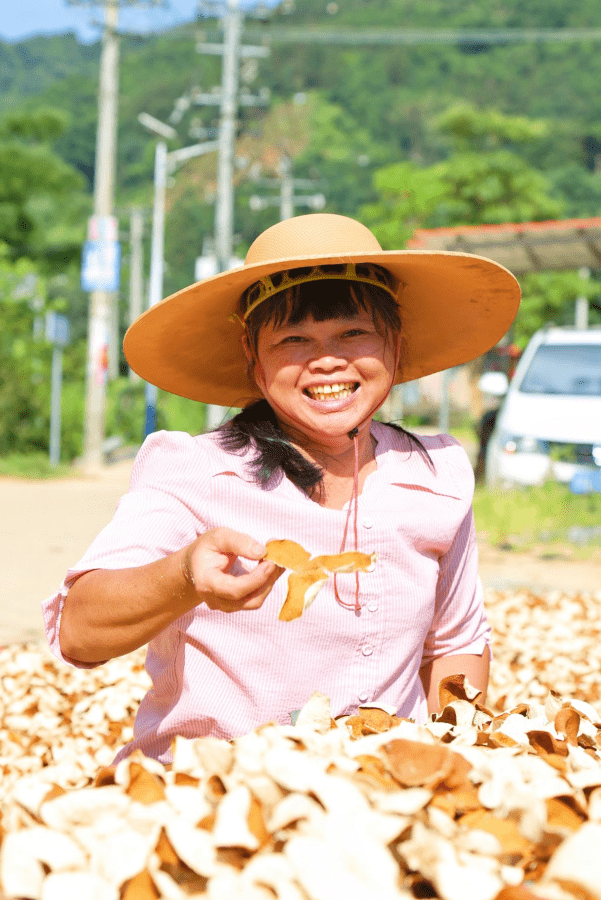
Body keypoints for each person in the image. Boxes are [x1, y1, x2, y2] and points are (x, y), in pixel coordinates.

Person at [42, 213, 520, 763]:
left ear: (394, 342)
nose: (327, 361)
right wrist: (184, 576)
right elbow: (79, 629)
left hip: (382, 798)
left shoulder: (434, 474)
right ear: (255, 357)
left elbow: (456, 643)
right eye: (295, 339)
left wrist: (450, 764)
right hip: (213, 802)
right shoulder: (196, 471)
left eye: (353, 333)